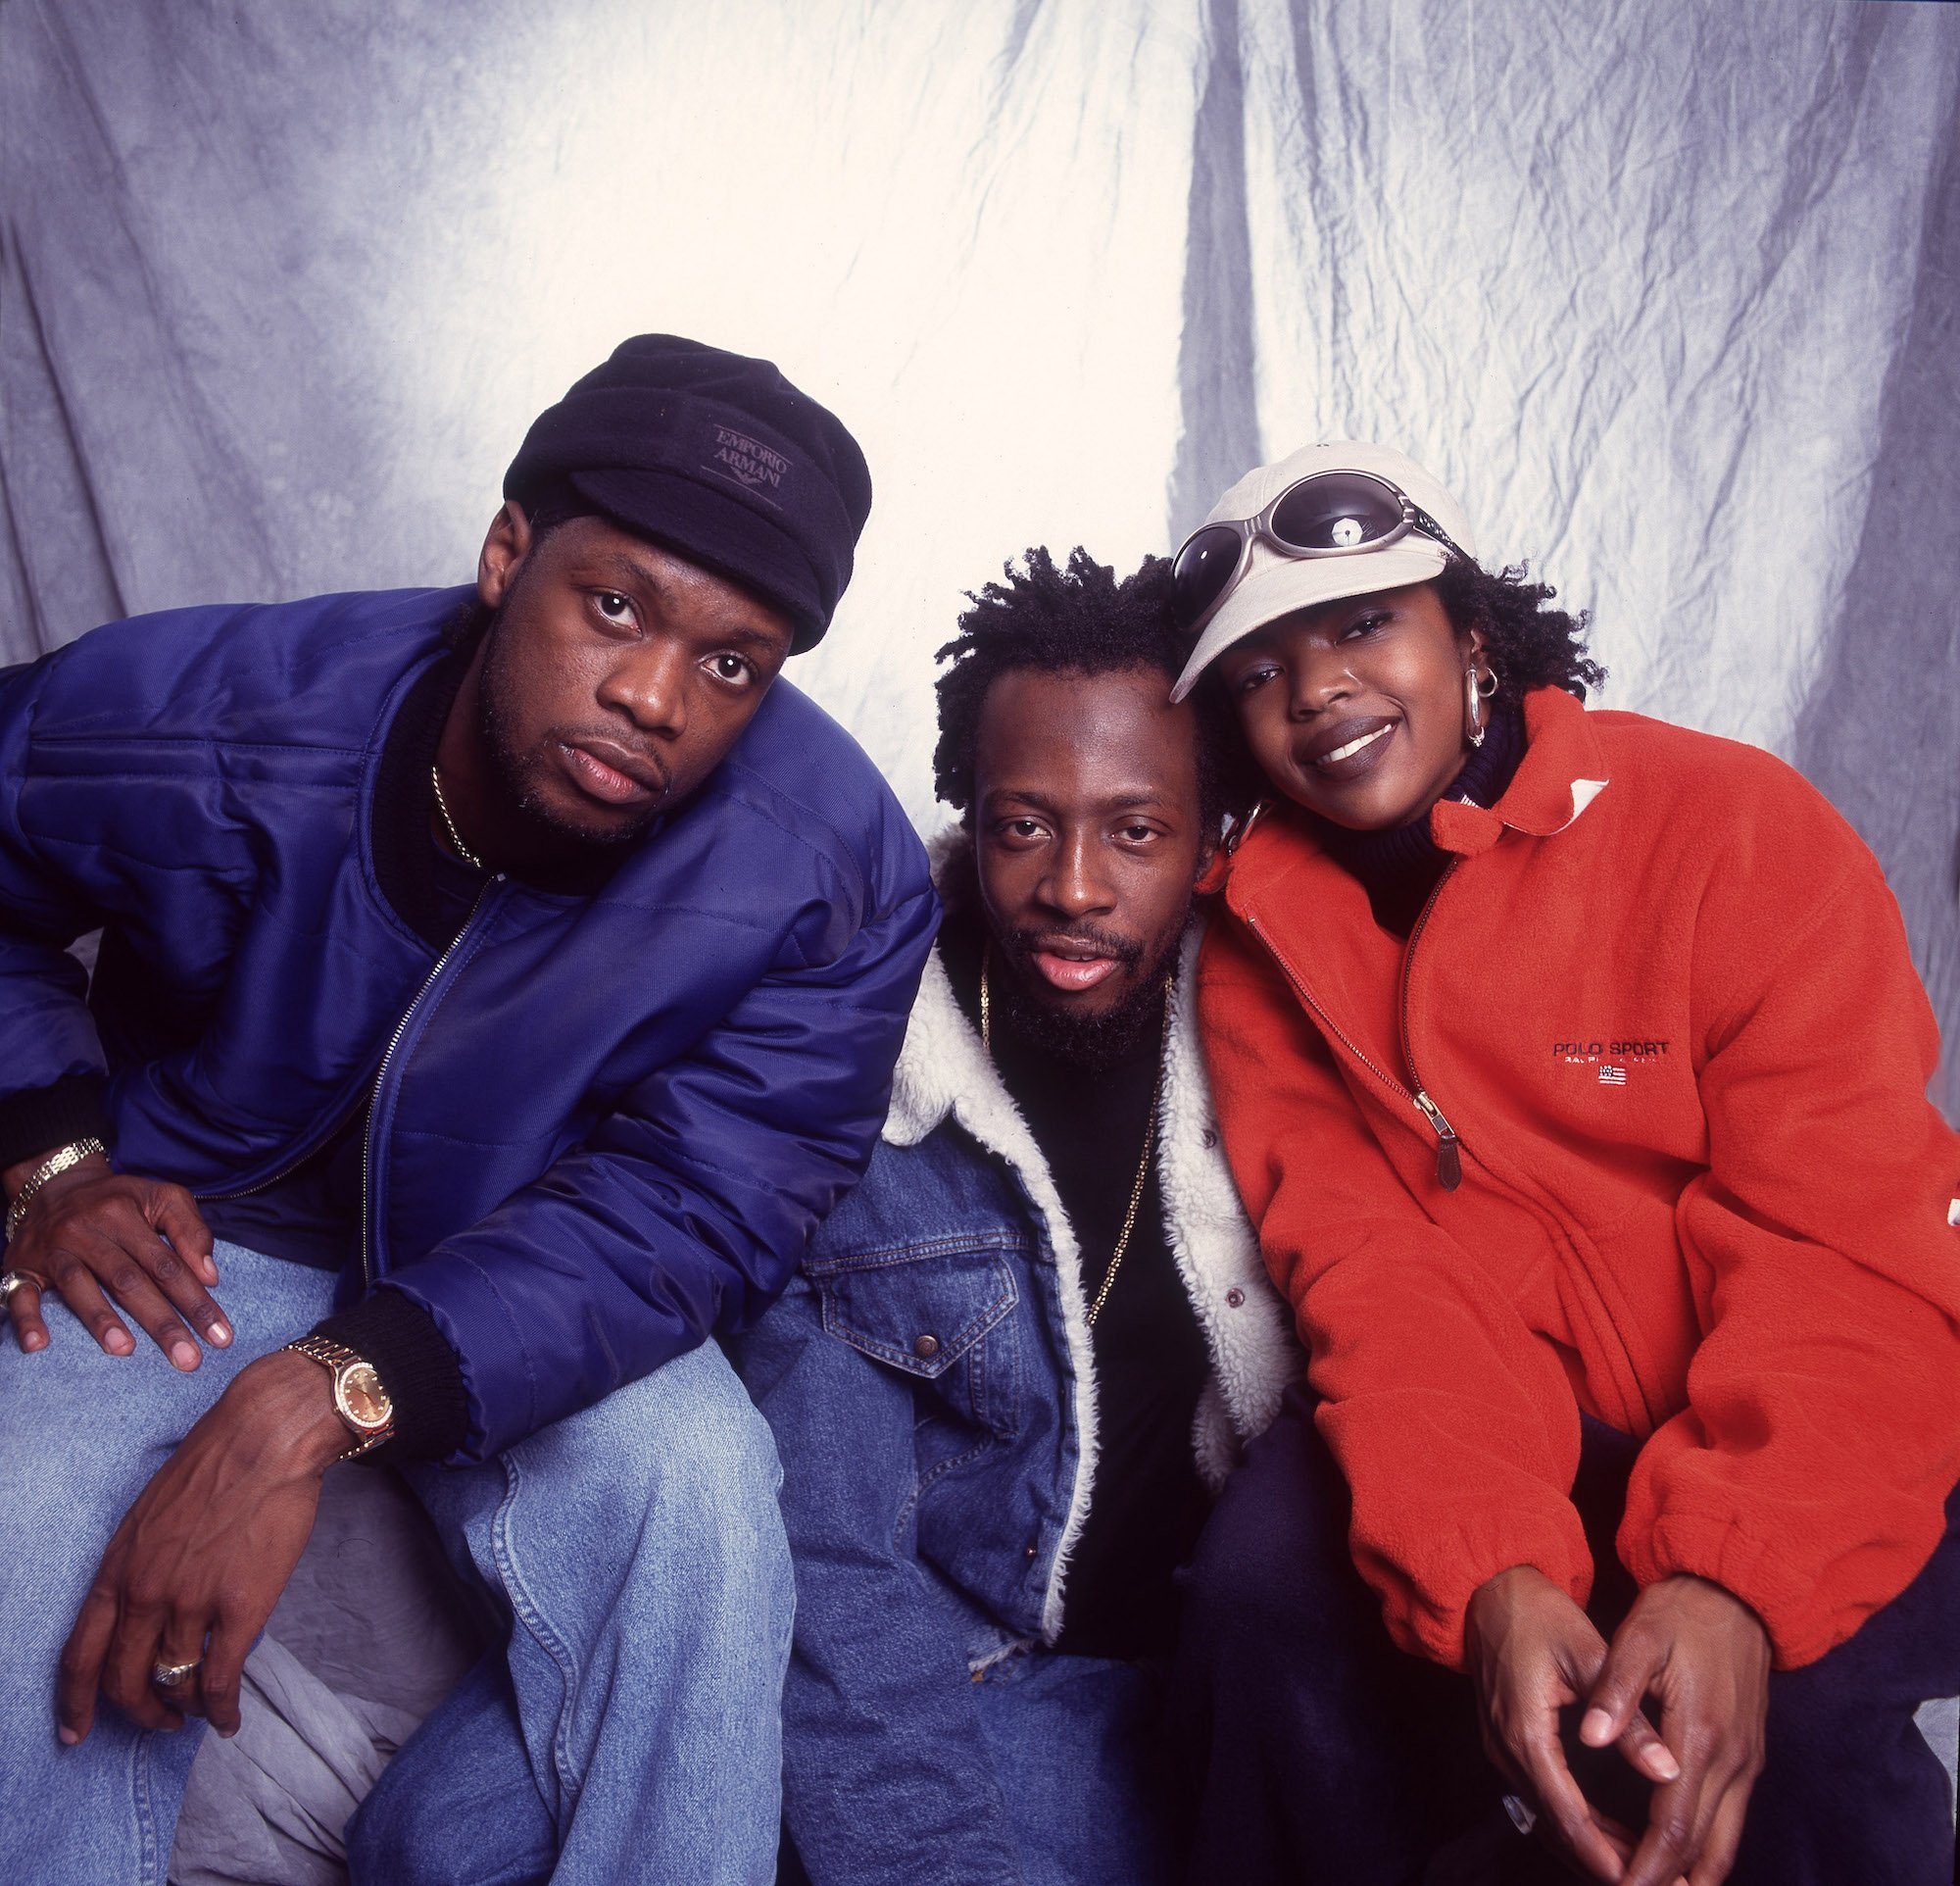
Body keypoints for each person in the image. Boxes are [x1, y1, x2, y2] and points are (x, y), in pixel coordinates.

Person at [0, 334, 938, 1886]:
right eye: (616, 604)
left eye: (731, 663)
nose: (651, 695)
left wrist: (319, 1394)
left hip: (529, 1264)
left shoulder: (830, 868)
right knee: (22, 1505)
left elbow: (700, 1207)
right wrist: (50, 1152)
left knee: (700, 1497)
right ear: (510, 555)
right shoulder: (236, 709)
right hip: (190, 1227)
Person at [1163, 441, 1960, 1886]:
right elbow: (1374, 1272)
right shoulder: (1257, 938)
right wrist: (1488, 1565)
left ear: (1471, 636)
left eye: (1361, 625)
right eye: (1261, 669)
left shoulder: (1732, 828)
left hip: (1831, 1396)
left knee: (1797, 1697)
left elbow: (1847, 1246)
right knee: (1261, 1597)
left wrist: (1733, 1573)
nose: (1320, 688)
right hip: (1518, 1421)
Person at [728, 548, 1299, 1886]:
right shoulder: (862, 1061)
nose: (1075, 891)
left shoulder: (1283, 1048)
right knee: (447, 1833)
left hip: (1129, 1684)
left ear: (1214, 838)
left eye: (1136, 830)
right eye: (1024, 824)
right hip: (893, 1635)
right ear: (967, 813)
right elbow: (831, 1556)